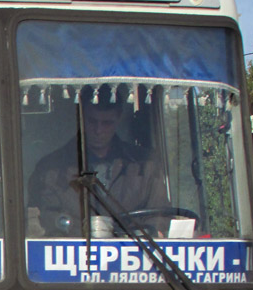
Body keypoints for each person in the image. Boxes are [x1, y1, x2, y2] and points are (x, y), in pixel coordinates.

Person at [28, 89, 168, 236]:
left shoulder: (145, 166)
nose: (98, 130)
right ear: (81, 117)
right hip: (73, 255)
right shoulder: (51, 169)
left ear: (119, 118)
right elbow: (42, 221)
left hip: (133, 253)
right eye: (92, 121)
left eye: (106, 123)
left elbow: (160, 216)